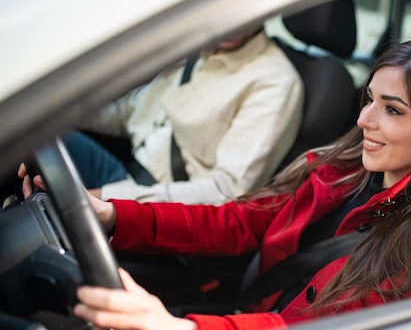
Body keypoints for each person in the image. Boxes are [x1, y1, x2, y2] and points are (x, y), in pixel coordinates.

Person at [11, 38, 411, 330]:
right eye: (369, 99)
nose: (365, 118)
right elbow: (239, 222)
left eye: (392, 109)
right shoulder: (338, 167)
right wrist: (113, 215)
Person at [64, 24, 304, 204]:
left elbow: (225, 192)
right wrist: (59, 114)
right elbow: (127, 115)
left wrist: (108, 198)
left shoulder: (274, 81)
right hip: (121, 171)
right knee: (37, 136)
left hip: (151, 206)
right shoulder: (196, 48)